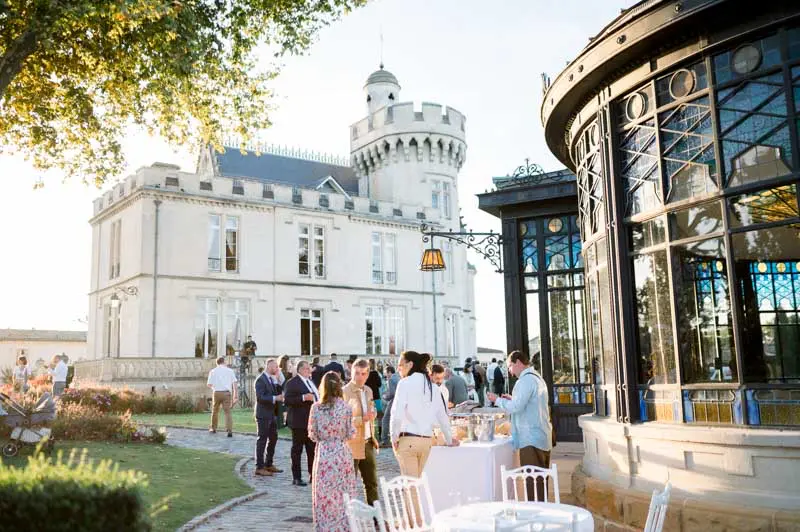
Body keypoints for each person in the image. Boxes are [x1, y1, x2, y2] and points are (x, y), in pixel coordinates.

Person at [391, 351, 458, 526]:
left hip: (409, 440)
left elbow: (396, 413)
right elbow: (443, 416)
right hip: (426, 442)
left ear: (410, 364)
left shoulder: (405, 384)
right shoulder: (433, 387)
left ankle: (415, 525)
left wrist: (393, 436)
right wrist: (449, 439)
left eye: (401, 364)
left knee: (410, 487)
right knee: (413, 486)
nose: (399, 368)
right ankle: (411, 523)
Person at [487, 350, 553, 501]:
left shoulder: (525, 380)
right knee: (540, 483)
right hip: (541, 436)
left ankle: (536, 518)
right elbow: (529, 403)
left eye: (510, 366)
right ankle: (543, 513)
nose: (509, 371)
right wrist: (512, 399)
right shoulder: (537, 378)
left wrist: (497, 400)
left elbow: (516, 407)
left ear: (517, 363)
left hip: (530, 439)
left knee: (533, 485)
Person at [308, 372, 358, 532]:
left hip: (324, 453)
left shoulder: (315, 408)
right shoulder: (346, 407)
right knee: (344, 493)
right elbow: (351, 433)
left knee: (324, 494)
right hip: (342, 453)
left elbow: (312, 434)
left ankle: (325, 527)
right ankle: (344, 527)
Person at [343, 359, 379, 506]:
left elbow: (371, 410)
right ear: (351, 372)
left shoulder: (368, 390)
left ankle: (375, 515)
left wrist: (373, 414)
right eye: (357, 373)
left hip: (368, 441)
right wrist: (361, 419)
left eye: (363, 374)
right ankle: (348, 517)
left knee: (372, 482)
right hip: (351, 444)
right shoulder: (344, 392)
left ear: (367, 374)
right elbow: (342, 421)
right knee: (349, 484)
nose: (360, 377)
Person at [284, 361, 319, 486]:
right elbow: (287, 400)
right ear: (299, 370)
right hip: (298, 421)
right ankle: (296, 477)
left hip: (311, 421)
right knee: (297, 450)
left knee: (312, 450)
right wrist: (303, 397)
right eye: (305, 368)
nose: (308, 370)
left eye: (309, 368)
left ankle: (312, 475)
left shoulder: (310, 381)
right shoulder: (292, 383)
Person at [254, 359, 285, 476]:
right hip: (263, 414)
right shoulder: (260, 380)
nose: (277, 369)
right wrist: (274, 398)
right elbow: (261, 397)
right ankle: (259, 466)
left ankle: (268, 463)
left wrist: (278, 381)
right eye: (275, 367)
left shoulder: (272, 379)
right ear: (269, 366)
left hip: (272, 414)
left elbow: (278, 391)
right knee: (262, 440)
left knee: (273, 438)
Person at [206, 356, 238, 437]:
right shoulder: (230, 371)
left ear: (217, 363)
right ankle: (229, 430)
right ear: (224, 362)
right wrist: (235, 395)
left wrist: (214, 388)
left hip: (216, 392)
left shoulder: (213, 371)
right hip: (227, 393)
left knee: (215, 411)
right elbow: (234, 384)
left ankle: (213, 428)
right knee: (227, 412)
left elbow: (209, 384)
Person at [380, 365, 400, 448]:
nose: (385, 375)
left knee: (385, 420)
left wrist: (384, 396)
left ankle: (385, 441)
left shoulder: (391, 379)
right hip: (400, 402)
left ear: (389, 372)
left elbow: (391, 393)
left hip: (393, 401)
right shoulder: (399, 377)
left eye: (386, 373)